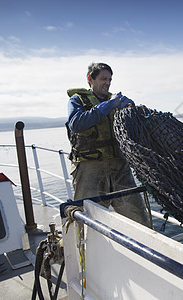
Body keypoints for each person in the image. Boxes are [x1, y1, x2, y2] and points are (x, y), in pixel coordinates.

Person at [66, 62, 151, 227]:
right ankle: (85, 252)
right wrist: (109, 105)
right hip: (89, 170)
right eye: (103, 78)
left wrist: (131, 109)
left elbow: (135, 132)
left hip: (120, 169)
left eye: (110, 79)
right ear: (90, 79)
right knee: (88, 223)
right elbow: (77, 124)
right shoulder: (77, 100)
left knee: (139, 220)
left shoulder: (118, 103)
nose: (107, 83)